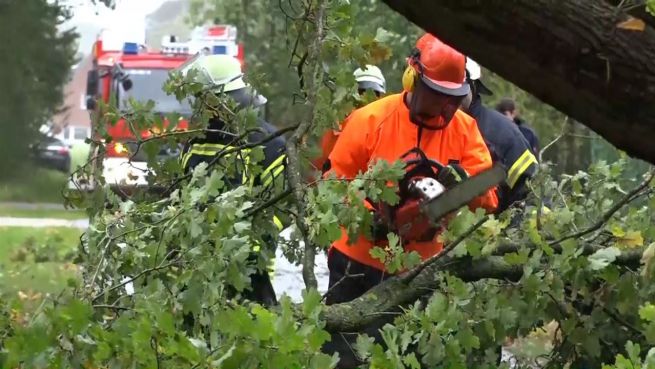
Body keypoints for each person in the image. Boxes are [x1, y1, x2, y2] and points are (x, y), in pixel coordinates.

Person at [321, 33, 498, 368]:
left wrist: (465, 187)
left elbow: (488, 196)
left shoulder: (465, 130)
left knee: (410, 359)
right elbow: (334, 184)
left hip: (422, 268)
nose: (445, 107)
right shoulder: (370, 120)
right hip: (358, 263)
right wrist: (369, 217)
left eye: (452, 98)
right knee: (345, 358)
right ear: (412, 79)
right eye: (437, 96)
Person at [177, 54, 287, 306]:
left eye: (203, 99)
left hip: (251, 269)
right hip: (201, 264)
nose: (199, 105)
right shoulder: (194, 142)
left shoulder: (267, 142)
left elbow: (286, 205)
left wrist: (253, 236)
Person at [461, 58, 539, 214]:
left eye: (454, 83)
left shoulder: (504, 135)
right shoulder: (409, 122)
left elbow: (531, 200)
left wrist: (506, 236)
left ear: (473, 86)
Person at [313, 64, 387, 174]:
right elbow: (320, 164)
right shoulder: (336, 128)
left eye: (374, 93)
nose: (366, 97)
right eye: (362, 91)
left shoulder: (388, 125)